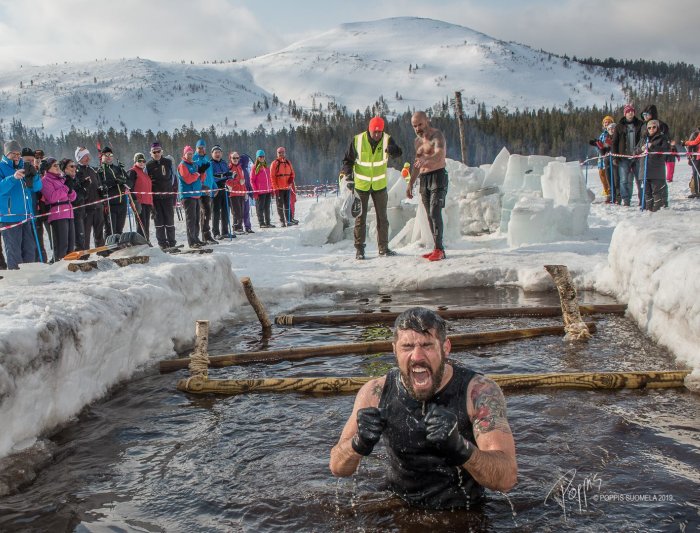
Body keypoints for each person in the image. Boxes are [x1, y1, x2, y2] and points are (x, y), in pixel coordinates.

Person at [329, 307, 517, 509]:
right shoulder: (375, 392)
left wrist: (460, 448)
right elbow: (338, 467)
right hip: (399, 506)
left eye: (427, 345)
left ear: (445, 348)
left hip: (461, 512)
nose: (417, 356)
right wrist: (358, 443)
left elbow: (506, 478)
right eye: (407, 346)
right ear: (394, 349)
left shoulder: (478, 392)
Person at [340, 116, 402, 259]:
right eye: (374, 132)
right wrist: (348, 175)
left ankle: (384, 248)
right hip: (361, 186)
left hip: (379, 186)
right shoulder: (358, 140)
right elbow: (347, 161)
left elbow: (399, 153)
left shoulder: (387, 139)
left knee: (382, 218)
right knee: (360, 218)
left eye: (379, 132)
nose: (377, 135)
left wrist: (393, 150)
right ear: (369, 129)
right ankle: (359, 250)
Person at [406, 111, 449, 261]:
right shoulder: (417, 142)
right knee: (429, 215)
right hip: (424, 179)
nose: (418, 128)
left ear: (427, 121)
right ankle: (436, 249)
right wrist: (410, 183)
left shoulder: (437, 136)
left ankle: (440, 250)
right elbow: (417, 164)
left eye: (420, 124)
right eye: (414, 126)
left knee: (435, 211)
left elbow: (439, 154)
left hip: (438, 175)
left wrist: (427, 160)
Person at [0, 140, 42, 269]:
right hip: (10, 216)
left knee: (29, 249)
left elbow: (36, 188)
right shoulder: (1, 167)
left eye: (18, 154)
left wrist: (34, 177)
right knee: (14, 251)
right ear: (7, 154)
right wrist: (13, 178)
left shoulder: (24, 165)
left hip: (26, 214)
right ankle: (16, 277)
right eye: (13, 154)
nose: (17, 157)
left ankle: (29, 275)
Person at [41, 158, 77, 261]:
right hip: (57, 214)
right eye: (54, 165)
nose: (58, 167)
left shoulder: (61, 179)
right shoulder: (45, 180)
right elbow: (52, 197)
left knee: (71, 244)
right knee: (62, 245)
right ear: (48, 168)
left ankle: (70, 266)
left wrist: (70, 189)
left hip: (69, 212)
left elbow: (73, 197)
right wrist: (66, 188)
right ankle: (59, 266)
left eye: (58, 165)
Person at [635, 119, 673, 212]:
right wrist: (641, 149)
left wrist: (652, 146)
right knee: (647, 193)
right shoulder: (643, 139)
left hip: (656, 171)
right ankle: (649, 211)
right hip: (644, 170)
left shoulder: (662, 138)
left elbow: (666, 150)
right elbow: (634, 151)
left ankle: (657, 213)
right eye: (649, 128)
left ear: (657, 127)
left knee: (656, 193)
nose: (651, 129)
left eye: (654, 127)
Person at [146, 142, 178, 249]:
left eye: (158, 151)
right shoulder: (148, 165)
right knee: (159, 222)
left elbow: (173, 177)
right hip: (156, 198)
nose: (156, 153)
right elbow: (146, 181)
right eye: (154, 152)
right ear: (151, 153)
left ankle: (172, 242)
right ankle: (162, 244)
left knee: (169, 220)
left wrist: (171, 190)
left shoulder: (168, 162)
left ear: (161, 151)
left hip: (168, 196)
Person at [611, 104, 644, 206]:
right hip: (624, 157)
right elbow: (614, 143)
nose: (630, 113)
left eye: (632, 111)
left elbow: (644, 138)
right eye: (628, 111)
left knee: (640, 179)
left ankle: (642, 199)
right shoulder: (619, 126)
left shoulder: (640, 124)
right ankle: (626, 200)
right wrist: (615, 157)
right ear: (625, 114)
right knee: (624, 180)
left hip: (637, 157)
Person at [97, 147, 132, 236]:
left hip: (122, 202)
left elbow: (130, 184)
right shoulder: (101, 171)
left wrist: (124, 182)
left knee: (120, 229)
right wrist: (114, 182)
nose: (109, 157)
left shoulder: (119, 169)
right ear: (102, 156)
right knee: (110, 230)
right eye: (106, 155)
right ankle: (110, 248)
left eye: (110, 155)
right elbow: (101, 186)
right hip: (110, 204)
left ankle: (118, 246)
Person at [75, 147, 105, 249]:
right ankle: (84, 255)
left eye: (88, 156)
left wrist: (102, 191)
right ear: (79, 158)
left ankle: (101, 251)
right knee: (85, 234)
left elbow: (98, 184)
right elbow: (77, 189)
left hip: (98, 206)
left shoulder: (93, 170)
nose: (87, 158)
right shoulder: (77, 170)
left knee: (99, 231)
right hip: (86, 208)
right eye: (84, 156)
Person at [178, 145, 206, 248]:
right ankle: (191, 241)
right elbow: (188, 179)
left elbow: (201, 179)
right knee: (191, 219)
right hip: (188, 195)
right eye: (188, 154)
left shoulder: (194, 164)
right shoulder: (183, 165)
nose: (190, 156)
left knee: (196, 219)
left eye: (191, 154)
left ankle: (196, 238)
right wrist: (197, 174)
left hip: (196, 195)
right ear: (184, 154)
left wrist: (202, 172)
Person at [61, 158, 88, 250]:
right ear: (65, 169)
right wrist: (82, 189)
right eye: (71, 166)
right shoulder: (65, 180)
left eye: (75, 166)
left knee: (81, 238)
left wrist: (84, 186)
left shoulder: (74, 178)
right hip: (72, 213)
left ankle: (82, 258)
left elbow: (83, 196)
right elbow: (73, 198)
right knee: (78, 239)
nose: (74, 168)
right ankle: (80, 260)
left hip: (80, 212)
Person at [193, 139, 216, 244]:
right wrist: (201, 186)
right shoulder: (194, 159)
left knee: (207, 213)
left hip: (209, 191)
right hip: (200, 191)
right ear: (196, 148)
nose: (201, 150)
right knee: (205, 213)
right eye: (199, 148)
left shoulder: (207, 159)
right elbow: (194, 176)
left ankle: (206, 236)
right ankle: (205, 236)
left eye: (203, 148)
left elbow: (210, 175)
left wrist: (214, 186)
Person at [588, 115, 614, 203]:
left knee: (608, 174)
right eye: (605, 122)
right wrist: (597, 144)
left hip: (608, 156)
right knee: (601, 173)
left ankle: (610, 191)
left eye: (608, 122)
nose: (607, 124)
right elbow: (599, 147)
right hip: (601, 157)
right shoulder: (602, 134)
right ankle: (605, 189)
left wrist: (603, 146)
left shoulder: (612, 132)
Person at [270, 146, 297, 226]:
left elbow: (293, 173)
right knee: (280, 205)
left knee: (287, 204)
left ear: (285, 153)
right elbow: (272, 177)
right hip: (279, 188)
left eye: (282, 152)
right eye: (279, 153)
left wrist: (291, 180)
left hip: (287, 188)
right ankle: (282, 221)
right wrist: (275, 188)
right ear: (277, 154)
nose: (281, 154)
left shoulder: (288, 162)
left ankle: (289, 219)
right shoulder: (274, 163)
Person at [128, 153, 153, 240]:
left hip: (147, 202)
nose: (142, 163)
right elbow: (129, 188)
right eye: (139, 161)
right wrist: (134, 201)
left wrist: (151, 204)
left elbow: (148, 189)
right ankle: (141, 242)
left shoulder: (145, 174)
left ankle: (146, 241)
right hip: (139, 202)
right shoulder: (133, 171)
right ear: (135, 161)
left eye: (143, 161)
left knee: (146, 224)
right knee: (141, 224)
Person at [251, 149, 274, 228]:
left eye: (263, 156)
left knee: (267, 207)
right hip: (260, 191)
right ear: (257, 157)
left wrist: (272, 189)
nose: (261, 158)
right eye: (260, 156)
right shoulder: (254, 167)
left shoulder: (266, 166)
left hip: (268, 191)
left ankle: (268, 222)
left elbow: (270, 179)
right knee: (260, 208)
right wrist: (255, 191)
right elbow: (252, 180)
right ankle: (261, 223)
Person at [227, 151, 246, 234]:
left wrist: (245, 192)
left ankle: (239, 227)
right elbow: (227, 181)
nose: (235, 159)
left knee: (241, 211)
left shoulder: (240, 167)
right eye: (234, 158)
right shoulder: (229, 168)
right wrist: (237, 183)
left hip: (241, 193)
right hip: (233, 193)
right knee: (236, 212)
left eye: (237, 158)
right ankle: (236, 228)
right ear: (230, 159)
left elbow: (243, 181)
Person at [681, 126, 700, 198]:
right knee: (696, 174)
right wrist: (689, 156)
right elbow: (693, 143)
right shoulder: (695, 134)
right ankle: (696, 191)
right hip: (696, 157)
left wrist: (686, 143)